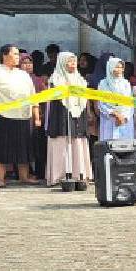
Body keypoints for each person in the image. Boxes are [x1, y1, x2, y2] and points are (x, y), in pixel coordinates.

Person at [0, 45, 40, 188]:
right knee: (1, 148)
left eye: (18, 54)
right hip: (3, 116)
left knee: (24, 148)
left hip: (23, 116)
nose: (18, 57)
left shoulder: (23, 74)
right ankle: (1, 179)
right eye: (14, 54)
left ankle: (24, 177)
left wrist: (36, 116)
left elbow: (33, 97)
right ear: (4, 55)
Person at [44, 51, 94, 186]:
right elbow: (54, 98)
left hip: (78, 113)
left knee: (78, 141)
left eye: (74, 61)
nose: (73, 64)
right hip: (61, 114)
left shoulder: (80, 79)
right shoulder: (55, 79)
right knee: (62, 141)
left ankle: (80, 174)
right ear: (62, 62)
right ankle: (59, 175)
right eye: (69, 61)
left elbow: (85, 96)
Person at [21, 53, 49, 179]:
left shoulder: (39, 80)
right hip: (20, 117)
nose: (28, 66)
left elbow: (46, 97)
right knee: (22, 145)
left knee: (37, 145)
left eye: (30, 63)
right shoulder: (15, 81)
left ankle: (39, 172)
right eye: (24, 63)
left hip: (37, 117)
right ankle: (22, 173)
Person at [97, 57, 135, 141]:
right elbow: (101, 103)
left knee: (125, 147)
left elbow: (129, 103)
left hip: (124, 120)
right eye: (116, 67)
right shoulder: (103, 84)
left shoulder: (125, 83)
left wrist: (123, 117)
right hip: (109, 119)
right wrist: (114, 114)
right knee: (109, 148)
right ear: (110, 67)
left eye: (121, 67)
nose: (119, 70)